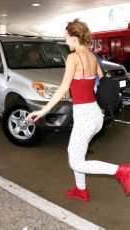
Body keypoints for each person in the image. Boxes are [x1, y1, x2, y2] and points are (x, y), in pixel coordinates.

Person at [25, 19, 130, 202]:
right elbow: (101, 83)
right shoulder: (92, 56)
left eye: (66, 38)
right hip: (95, 114)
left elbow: (63, 88)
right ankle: (81, 190)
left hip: (85, 116)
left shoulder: (73, 57)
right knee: (76, 152)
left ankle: (121, 171)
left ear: (74, 38)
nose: (65, 42)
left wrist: (43, 111)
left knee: (75, 161)